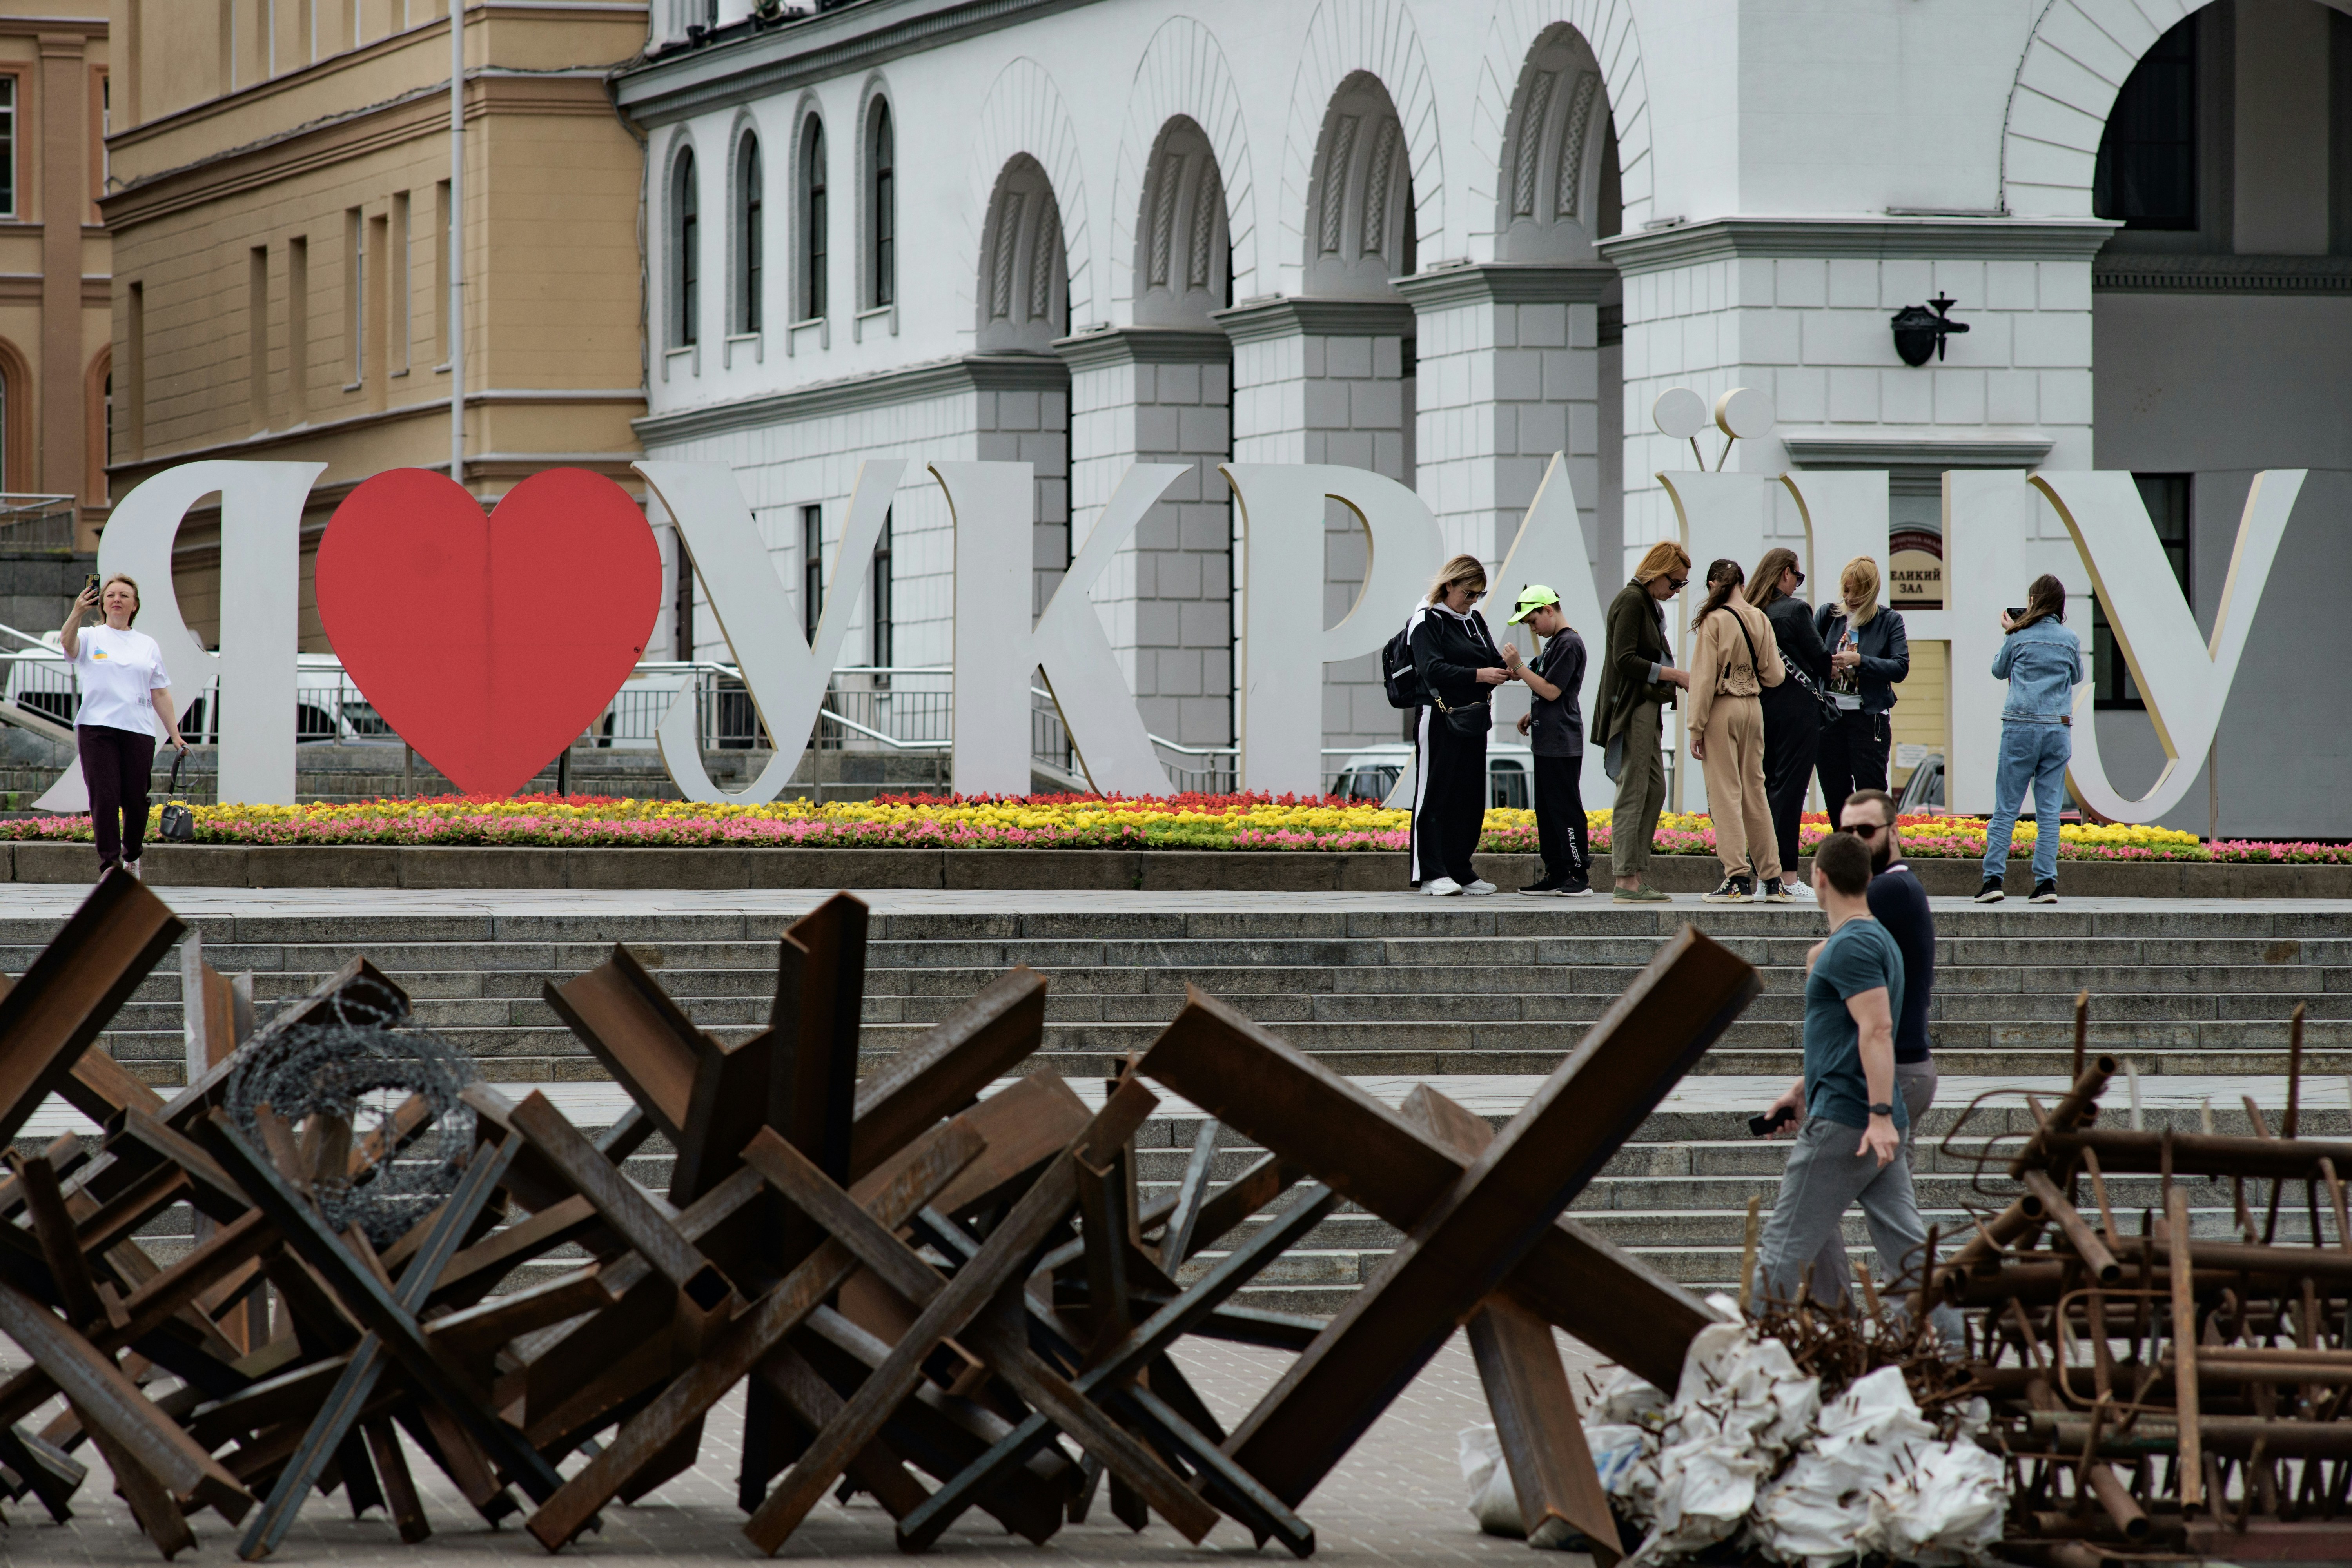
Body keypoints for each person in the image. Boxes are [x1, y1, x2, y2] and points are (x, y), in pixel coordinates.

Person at [1753, 831, 1960, 1340]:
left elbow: (1878, 1030)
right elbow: (1848, 1037)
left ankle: (1737, 1358)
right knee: (1908, 1253)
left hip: (1848, 1122)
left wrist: (1882, 1115)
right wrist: (1801, 1092)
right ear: (1867, 879)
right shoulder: (1875, 939)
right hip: (1858, 1116)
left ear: (1818, 879)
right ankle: (1958, 1349)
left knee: (1782, 1247)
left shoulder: (1851, 946)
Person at [62, 574, 189, 881]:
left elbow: (160, 692)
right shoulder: (92, 637)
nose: (117, 599)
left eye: (124, 596)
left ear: (134, 606)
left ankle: (132, 854)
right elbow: (68, 646)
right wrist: (77, 612)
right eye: (111, 595)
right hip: (96, 729)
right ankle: (109, 865)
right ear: (102, 604)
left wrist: (175, 734)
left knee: (135, 798)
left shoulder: (147, 645)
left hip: (138, 730)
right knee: (104, 797)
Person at [1594, 541, 1692, 904]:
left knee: (1653, 789)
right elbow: (1625, 660)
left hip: (1644, 707)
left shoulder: (1645, 603)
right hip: (1633, 707)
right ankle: (1626, 879)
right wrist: (1676, 675)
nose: (1676, 590)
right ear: (1659, 571)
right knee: (1634, 792)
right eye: (1675, 582)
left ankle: (1634, 874)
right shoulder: (1633, 600)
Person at [1407, 554, 1508, 897]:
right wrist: (1479, 675)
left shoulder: (1476, 621)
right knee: (1434, 793)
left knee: (1469, 796)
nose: (1472, 601)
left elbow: (1492, 659)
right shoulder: (1425, 620)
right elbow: (1431, 668)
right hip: (1436, 715)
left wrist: (1505, 669)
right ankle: (1431, 873)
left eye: (1478, 595)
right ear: (1449, 585)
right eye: (1468, 593)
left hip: (1472, 717)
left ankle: (1459, 869)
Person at [1978, 573, 2083, 905]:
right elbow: (2077, 675)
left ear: (2033, 601)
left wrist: (2010, 631)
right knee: (2049, 811)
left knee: (2007, 807)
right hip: (2057, 728)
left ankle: (1993, 880)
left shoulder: (2018, 634)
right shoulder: (2070, 638)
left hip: (2021, 727)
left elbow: (1998, 670)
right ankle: (2046, 884)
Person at [1686, 559, 1787, 903]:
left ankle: (1738, 879)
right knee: (1755, 792)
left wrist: (1695, 727)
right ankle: (1772, 880)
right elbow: (1775, 676)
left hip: (1722, 708)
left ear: (1715, 584)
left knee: (1725, 795)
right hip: (1753, 709)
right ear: (1742, 583)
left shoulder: (1714, 621)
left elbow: (1702, 680)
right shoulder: (1760, 617)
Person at [1748, 547, 1832, 898]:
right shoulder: (1796, 610)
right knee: (1791, 790)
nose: (1798, 583)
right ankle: (1785, 877)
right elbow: (1820, 658)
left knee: (1763, 791)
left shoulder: (1751, 612)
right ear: (1784, 573)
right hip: (1798, 709)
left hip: (1760, 708)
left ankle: (1759, 874)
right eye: (1797, 576)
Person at [1501, 584, 1593, 897]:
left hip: (1562, 743)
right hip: (1548, 740)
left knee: (1565, 809)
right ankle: (1556, 872)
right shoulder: (1557, 643)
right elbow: (1549, 690)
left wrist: (1518, 666)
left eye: (1533, 620)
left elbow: (1553, 691)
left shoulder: (1569, 643)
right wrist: (1532, 712)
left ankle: (1578, 874)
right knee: (1547, 809)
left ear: (1549, 610)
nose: (1532, 628)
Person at [1813, 557, 1909, 827]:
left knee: (1872, 794)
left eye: (1857, 591)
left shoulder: (1889, 620)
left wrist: (1859, 661)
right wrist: (1824, 667)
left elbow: (1900, 667)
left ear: (1872, 591)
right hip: (1830, 717)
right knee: (1834, 792)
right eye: (1846, 590)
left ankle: (1876, 855)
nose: (1850, 597)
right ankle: (1845, 851)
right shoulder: (1827, 616)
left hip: (1869, 719)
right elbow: (1807, 657)